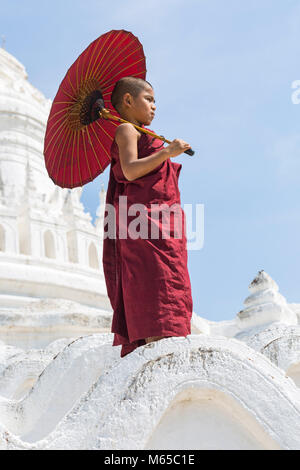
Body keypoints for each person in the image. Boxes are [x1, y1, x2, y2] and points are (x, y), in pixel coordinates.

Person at [102, 76, 193, 358]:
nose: (155, 106)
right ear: (128, 101)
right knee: (156, 286)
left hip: (162, 225)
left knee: (171, 283)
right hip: (145, 228)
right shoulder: (126, 129)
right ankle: (157, 351)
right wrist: (168, 151)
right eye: (149, 99)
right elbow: (129, 171)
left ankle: (165, 348)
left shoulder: (143, 133)